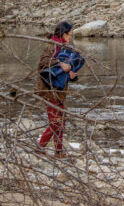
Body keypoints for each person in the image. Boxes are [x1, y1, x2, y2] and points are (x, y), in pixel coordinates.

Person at [36, 21, 77, 158]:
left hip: (58, 89)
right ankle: (40, 147)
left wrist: (71, 74)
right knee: (55, 122)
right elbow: (43, 62)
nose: (71, 37)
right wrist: (61, 64)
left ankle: (58, 151)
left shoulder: (64, 48)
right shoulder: (52, 45)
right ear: (63, 34)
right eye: (70, 34)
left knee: (61, 120)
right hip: (48, 89)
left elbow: (62, 69)